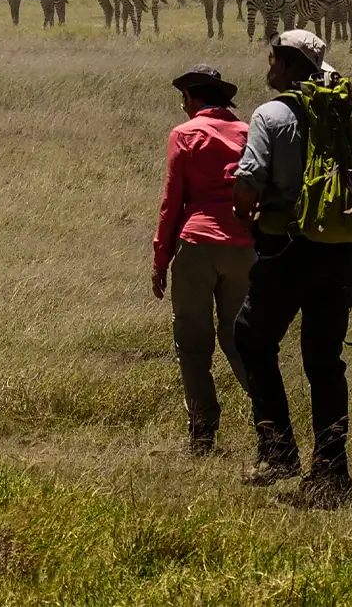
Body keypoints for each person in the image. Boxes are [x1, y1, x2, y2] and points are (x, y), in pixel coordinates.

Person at [232, 30, 352, 506]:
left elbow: (249, 180)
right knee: (324, 362)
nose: (268, 67)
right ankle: (331, 470)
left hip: (285, 250)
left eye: (274, 60)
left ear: (290, 67)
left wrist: (243, 210)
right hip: (340, 254)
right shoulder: (343, 113)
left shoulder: (270, 115)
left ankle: (278, 450)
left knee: (252, 338)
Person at [152, 64, 254, 455]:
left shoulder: (184, 134)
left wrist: (161, 259)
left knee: (193, 344)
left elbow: (171, 201)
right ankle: (270, 422)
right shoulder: (249, 132)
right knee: (240, 338)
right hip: (244, 246)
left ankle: (202, 431)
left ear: (192, 99)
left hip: (196, 243)